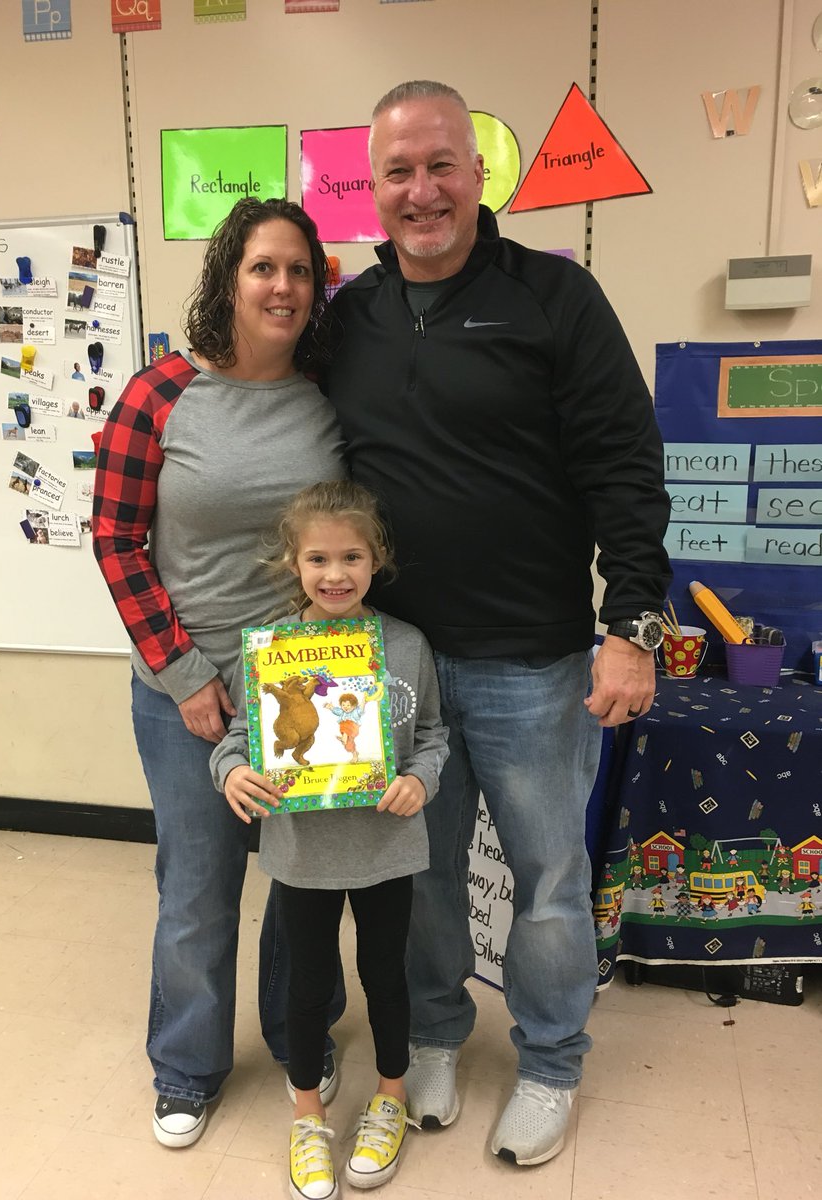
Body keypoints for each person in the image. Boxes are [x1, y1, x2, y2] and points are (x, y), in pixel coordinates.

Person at [324, 80, 672, 1167]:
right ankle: (434, 1034)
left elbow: (626, 465)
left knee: (549, 876)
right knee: (420, 873)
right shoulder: (352, 319)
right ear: (373, 189)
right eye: (398, 171)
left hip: (534, 658)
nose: (420, 190)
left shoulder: (556, 299)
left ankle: (554, 1058)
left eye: (441, 165)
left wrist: (633, 626)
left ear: (480, 175)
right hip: (402, 664)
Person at [93, 198, 347, 1150]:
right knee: (198, 885)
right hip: (185, 693)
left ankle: (298, 1039)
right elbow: (116, 541)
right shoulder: (161, 393)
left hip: (305, 687)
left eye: (299, 271)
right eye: (262, 268)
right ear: (228, 279)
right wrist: (186, 672)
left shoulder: (329, 391)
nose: (283, 287)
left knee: (298, 882)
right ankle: (188, 1066)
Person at [210, 480, 449, 1198]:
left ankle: (390, 1097)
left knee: (385, 976)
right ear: (292, 563)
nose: (335, 573)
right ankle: (308, 1114)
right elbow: (235, 739)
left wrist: (421, 781)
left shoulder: (404, 646)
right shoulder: (271, 650)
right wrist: (231, 773)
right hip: (302, 853)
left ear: (378, 560)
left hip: (386, 847)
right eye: (318, 558)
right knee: (308, 985)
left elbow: (433, 736)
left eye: (352, 556)